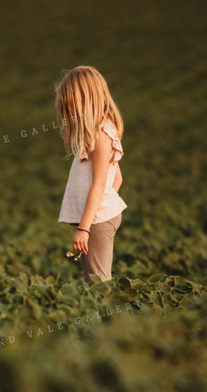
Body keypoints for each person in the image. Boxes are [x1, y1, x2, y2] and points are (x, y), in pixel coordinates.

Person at [55, 66, 127, 283]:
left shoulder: (101, 134)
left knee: (98, 283)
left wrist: (86, 227)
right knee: (94, 279)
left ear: (86, 101)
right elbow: (117, 178)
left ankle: (110, 317)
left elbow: (99, 184)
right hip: (98, 218)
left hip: (96, 222)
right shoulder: (98, 133)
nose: (69, 114)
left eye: (71, 107)